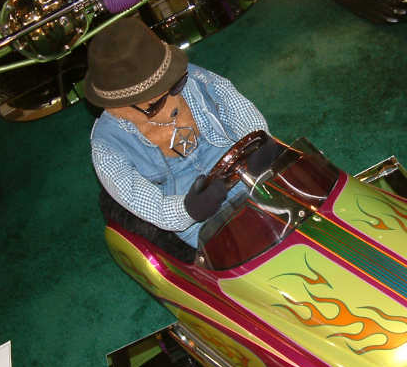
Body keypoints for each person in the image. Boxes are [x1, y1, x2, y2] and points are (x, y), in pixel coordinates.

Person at [85, 17, 276, 248]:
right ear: (116, 109)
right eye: (155, 105)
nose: (174, 102)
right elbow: (141, 199)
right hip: (193, 214)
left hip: (243, 172)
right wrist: (188, 210)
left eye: (175, 85)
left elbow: (233, 105)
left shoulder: (195, 78)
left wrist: (257, 139)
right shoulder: (107, 146)